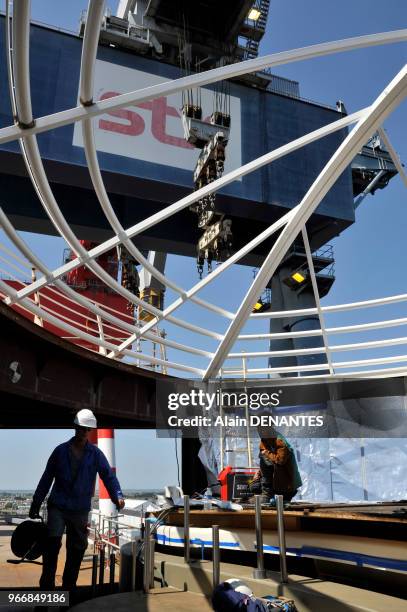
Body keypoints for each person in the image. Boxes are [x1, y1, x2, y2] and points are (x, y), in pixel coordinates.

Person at [29, 409, 125, 595]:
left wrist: (117, 496)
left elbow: (108, 476)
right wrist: (35, 503)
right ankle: (46, 594)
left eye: (87, 429)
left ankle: (67, 593)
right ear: (75, 427)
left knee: (75, 551)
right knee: (51, 548)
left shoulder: (95, 454)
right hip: (58, 506)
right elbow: (46, 478)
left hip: (79, 510)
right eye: (81, 428)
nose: (83, 432)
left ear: (90, 431)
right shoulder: (59, 451)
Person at [255, 426, 302, 503]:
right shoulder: (265, 440)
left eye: (262, 429)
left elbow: (280, 460)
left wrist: (266, 453)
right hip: (277, 483)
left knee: (265, 456)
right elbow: (265, 461)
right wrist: (259, 472)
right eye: (259, 429)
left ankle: (267, 494)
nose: (260, 432)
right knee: (263, 457)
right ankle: (267, 493)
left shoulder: (279, 441)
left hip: (286, 485)